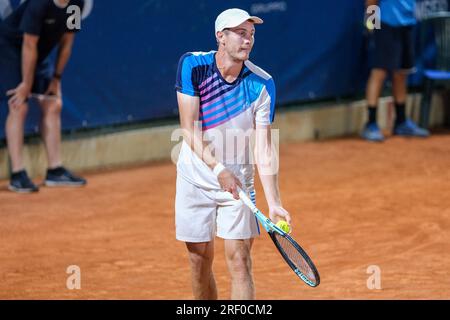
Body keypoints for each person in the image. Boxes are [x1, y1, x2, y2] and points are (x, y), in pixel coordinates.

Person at [174, 8, 291, 300]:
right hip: (195, 177)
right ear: (220, 37)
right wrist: (217, 169)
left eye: (251, 34)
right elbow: (188, 130)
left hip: (238, 183)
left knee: (240, 262)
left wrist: (274, 203)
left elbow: (263, 148)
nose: (247, 40)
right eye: (240, 33)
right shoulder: (192, 65)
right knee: (199, 261)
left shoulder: (262, 84)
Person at [0, 0, 87, 193]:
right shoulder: (39, 4)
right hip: (10, 47)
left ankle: (55, 170)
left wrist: (56, 78)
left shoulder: (76, 4)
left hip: (37, 52)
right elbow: (28, 44)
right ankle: (17, 174)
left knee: (53, 103)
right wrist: (25, 85)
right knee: (19, 104)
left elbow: (67, 41)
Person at [362, 0, 430, 141]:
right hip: (386, 25)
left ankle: (401, 122)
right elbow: (371, 1)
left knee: (401, 73)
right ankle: (371, 123)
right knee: (379, 72)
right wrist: (372, 24)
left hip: (407, 24)